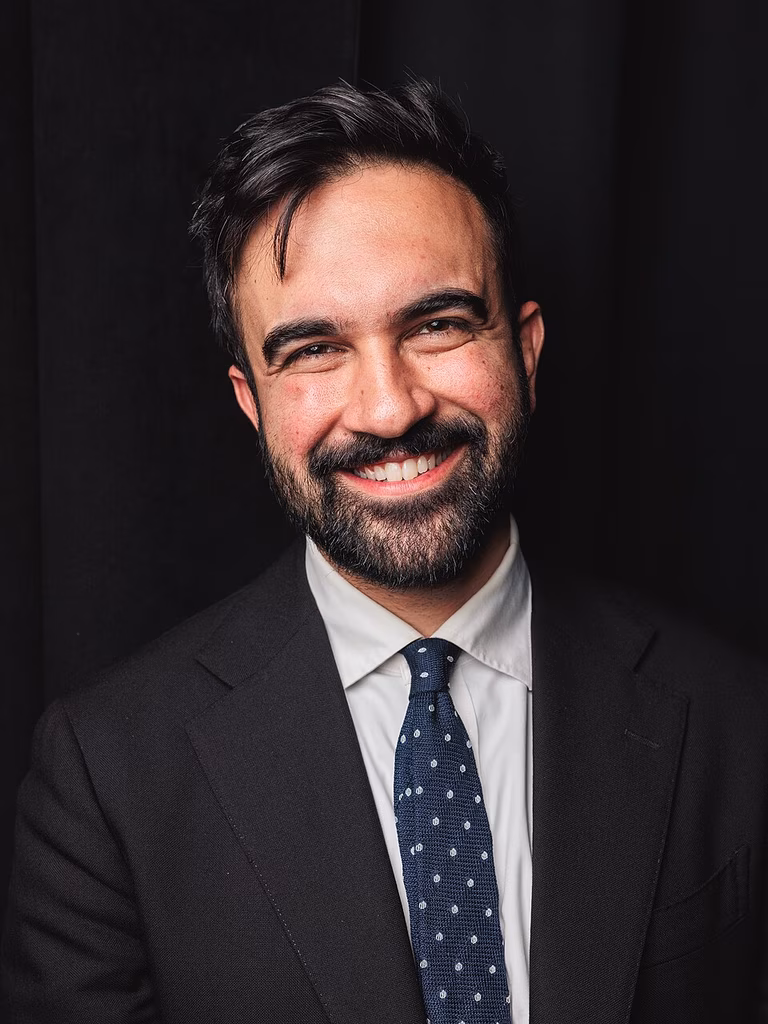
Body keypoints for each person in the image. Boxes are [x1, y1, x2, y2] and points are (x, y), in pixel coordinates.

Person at [2, 79, 767, 1024]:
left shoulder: (739, 725)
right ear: (252, 400)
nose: (390, 409)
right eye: (315, 350)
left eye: (437, 324)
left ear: (524, 350)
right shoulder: (104, 783)